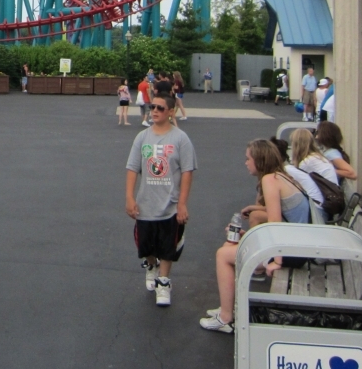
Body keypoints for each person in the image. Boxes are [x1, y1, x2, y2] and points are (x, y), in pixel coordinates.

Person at [200, 139, 311, 333]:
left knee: (222, 255)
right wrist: (247, 237)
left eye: (248, 158)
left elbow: (275, 224)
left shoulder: (270, 180)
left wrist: (277, 260)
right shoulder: (280, 176)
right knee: (230, 249)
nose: (245, 162)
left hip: (292, 250)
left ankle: (226, 318)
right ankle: (229, 308)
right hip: (298, 244)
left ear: (259, 160)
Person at [126, 95, 196, 307]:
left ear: (171, 112)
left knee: (168, 245)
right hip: (146, 203)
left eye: (160, 108)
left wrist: (182, 203)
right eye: (152, 107)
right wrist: (129, 197)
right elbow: (132, 168)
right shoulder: (141, 138)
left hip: (170, 205)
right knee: (145, 246)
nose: (154, 110)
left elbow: (187, 172)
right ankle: (151, 266)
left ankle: (163, 282)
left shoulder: (181, 139)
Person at [265, 137, 325, 224]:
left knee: (257, 216)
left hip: (314, 211)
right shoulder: (287, 168)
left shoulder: (284, 172)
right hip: (313, 206)